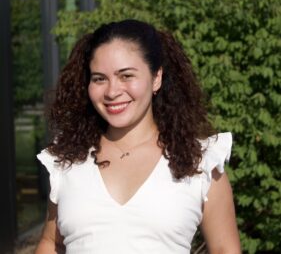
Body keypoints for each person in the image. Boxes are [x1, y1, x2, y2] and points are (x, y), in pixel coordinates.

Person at [35, 19, 241, 254]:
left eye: (126, 76)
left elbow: (225, 248)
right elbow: (51, 243)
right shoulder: (69, 159)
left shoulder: (201, 160)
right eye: (99, 78)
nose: (112, 91)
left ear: (156, 78)